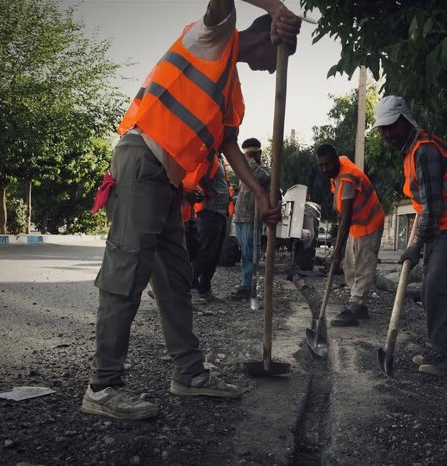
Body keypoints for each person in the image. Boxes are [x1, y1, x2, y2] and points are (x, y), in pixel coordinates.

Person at [82, 0, 300, 420]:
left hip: (167, 182)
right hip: (141, 159)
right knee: (127, 273)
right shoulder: (211, 38)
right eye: (277, 60)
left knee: (175, 280)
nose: (274, 72)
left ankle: (188, 374)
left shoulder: (230, 91)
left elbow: (227, 146)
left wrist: (259, 194)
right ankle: (102, 387)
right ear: (266, 36)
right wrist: (278, 8)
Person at [372, 95, 447, 377]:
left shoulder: (424, 151)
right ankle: (440, 348)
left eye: (391, 127)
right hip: (443, 223)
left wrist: (416, 246)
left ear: (406, 121)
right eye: (382, 129)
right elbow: (426, 205)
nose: (387, 135)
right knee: (427, 289)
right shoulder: (412, 152)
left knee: (438, 286)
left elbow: (433, 207)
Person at [315, 144, 385, 326]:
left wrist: (336, 251)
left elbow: (345, 217)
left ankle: (356, 304)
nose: (324, 169)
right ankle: (359, 306)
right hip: (357, 224)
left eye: (327, 164)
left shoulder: (347, 178)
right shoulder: (339, 167)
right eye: (320, 165)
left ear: (336, 159)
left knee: (363, 264)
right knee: (350, 266)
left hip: (370, 222)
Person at [231, 138, 270, 300]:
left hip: (251, 218)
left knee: (251, 253)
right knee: (245, 252)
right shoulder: (247, 169)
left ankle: (248, 286)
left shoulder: (263, 171)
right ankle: (246, 284)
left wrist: (249, 160)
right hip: (241, 216)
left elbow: (262, 177)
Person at [193, 156, 230, 303]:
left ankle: (205, 289)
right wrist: (210, 192)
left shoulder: (218, 158)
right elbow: (200, 176)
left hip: (220, 212)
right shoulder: (208, 156)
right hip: (209, 212)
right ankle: (192, 288)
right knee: (204, 252)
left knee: (214, 254)